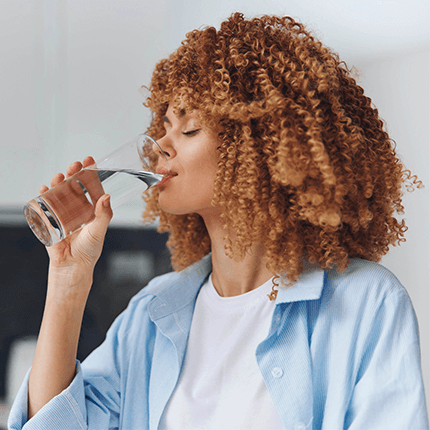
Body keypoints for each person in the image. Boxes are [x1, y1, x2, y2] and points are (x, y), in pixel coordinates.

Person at [8, 12, 428, 430]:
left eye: (189, 130)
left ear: (263, 149)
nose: (160, 147)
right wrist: (67, 278)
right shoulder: (153, 313)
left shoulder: (367, 303)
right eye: (165, 125)